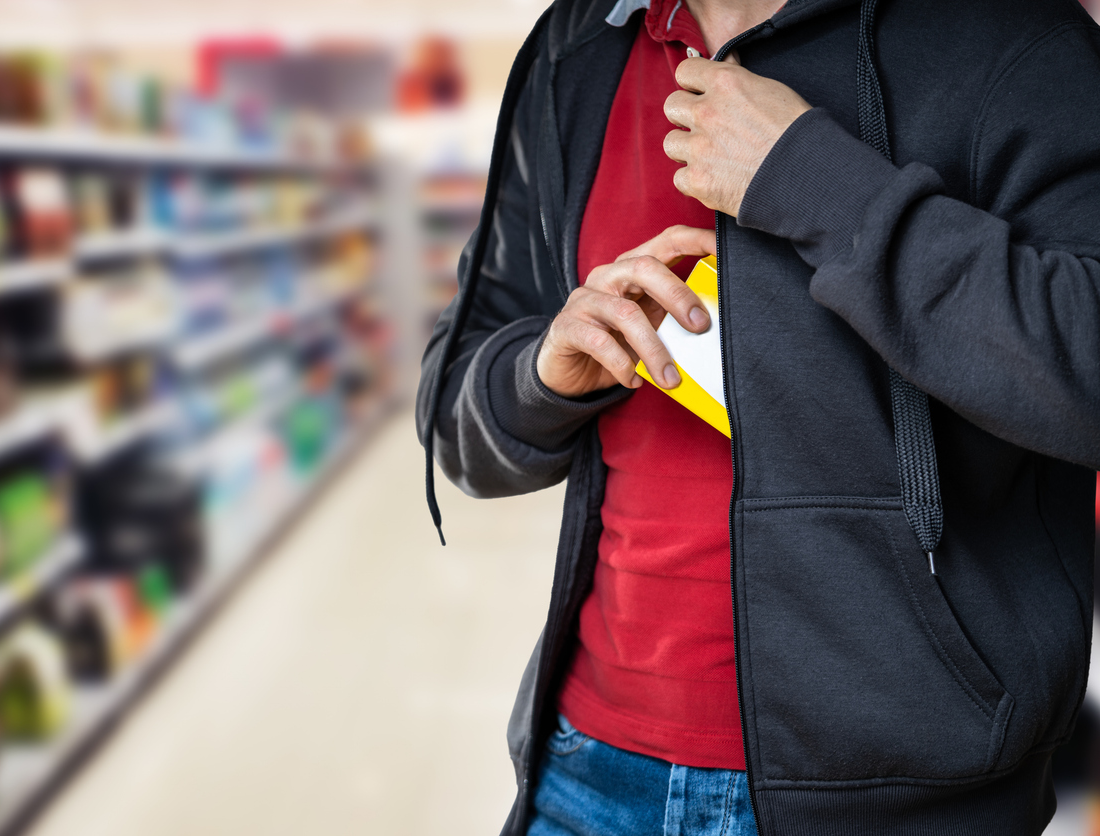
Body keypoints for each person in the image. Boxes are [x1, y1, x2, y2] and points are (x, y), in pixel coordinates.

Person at [416, 0, 1100, 833]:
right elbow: (455, 424)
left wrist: (813, 180)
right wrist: (541, 377)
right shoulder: (579, 48)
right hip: (587, 769)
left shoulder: (1018, 39)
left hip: (899, 795)